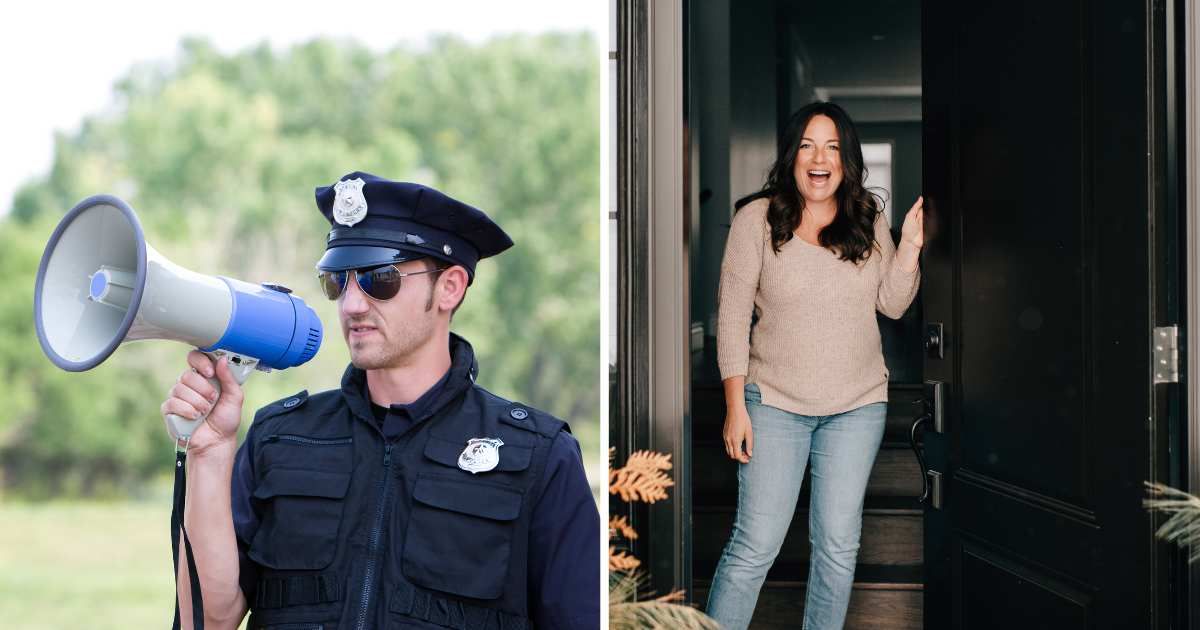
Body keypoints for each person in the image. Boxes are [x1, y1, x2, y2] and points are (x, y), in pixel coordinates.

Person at [162, 172, 600, 629]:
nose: (351, 305)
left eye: (380, 278)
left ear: (450, 287)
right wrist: (209, 455)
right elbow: (209, 620)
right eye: (337, 281)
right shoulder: (279, 437)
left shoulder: (537, 455)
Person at [704, 102, 924, 630]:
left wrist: (910, 246)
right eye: (807, 145)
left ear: (846, 160)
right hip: (773, 402)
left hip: (856, 405)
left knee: (837, 546)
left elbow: (892, 304)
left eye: (830, 147)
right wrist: (736, 406)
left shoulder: (867, 217)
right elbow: (732, 317)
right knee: (754, 545)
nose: (818, 158)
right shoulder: (755, 218)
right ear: (792, 156)